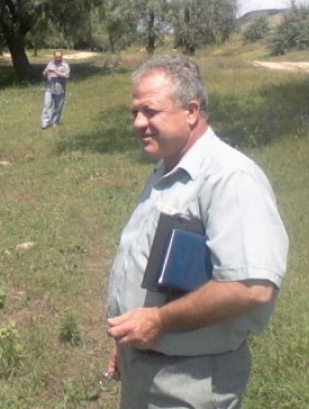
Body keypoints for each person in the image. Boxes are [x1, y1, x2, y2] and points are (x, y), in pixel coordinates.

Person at [105, 55, 288, 408]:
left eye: (150, 111)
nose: (138, 123)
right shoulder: (167, 167)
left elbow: (251, 288)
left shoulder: (229, 177)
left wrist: (158, 320)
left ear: (191, 111)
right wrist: (126, 344)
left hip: (190, 379)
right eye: (134, 113)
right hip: (146, 363)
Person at [41, 49, 71, 129]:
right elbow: (44, 73)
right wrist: (46, 72)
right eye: (57, 57)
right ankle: (45, 122)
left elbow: (67, 76)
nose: (58, 59)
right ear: (54, 57)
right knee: (47, 105)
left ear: (62, 57)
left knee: (58, 108)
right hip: (49, 88)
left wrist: (56, 72)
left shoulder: (65, 65)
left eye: (60, 57)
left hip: (60, 89)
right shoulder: (50, 64)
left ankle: (54, 122)